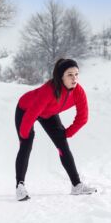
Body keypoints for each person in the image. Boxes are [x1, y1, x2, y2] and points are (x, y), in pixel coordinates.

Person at [15, 58, 97, 201]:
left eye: (77, 74)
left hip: (49, 114)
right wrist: (24, 135)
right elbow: (32, 113)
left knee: (63, 146)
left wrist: (66, 133)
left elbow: (83, 117)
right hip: (26, 109)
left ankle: (76, 185)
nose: (74, 78)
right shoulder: (49, 90)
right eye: (70, 74)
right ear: (61, 77)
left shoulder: (78, 91)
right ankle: (20, 186)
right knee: (26, 145)